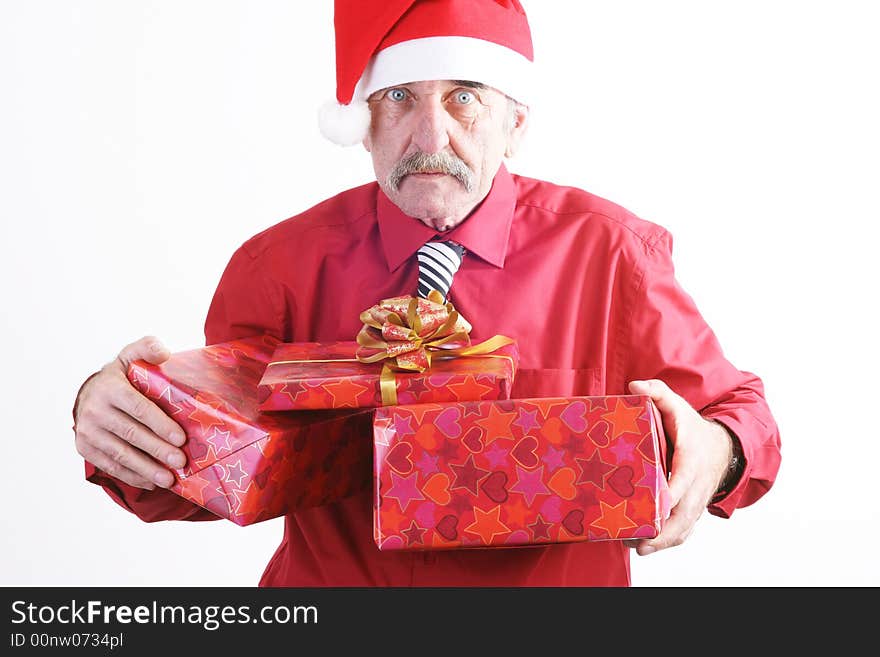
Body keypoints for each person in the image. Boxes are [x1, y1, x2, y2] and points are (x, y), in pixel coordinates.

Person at [72, 0, 781, 586]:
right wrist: (117, 415)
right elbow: (210, 472)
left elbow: (742, 415)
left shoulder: (614, 254)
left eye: (464, 97)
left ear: (516, 123)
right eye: (399, 98)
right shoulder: (276, 267)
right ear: (363, 125)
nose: (429, 135)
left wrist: (718, 452)